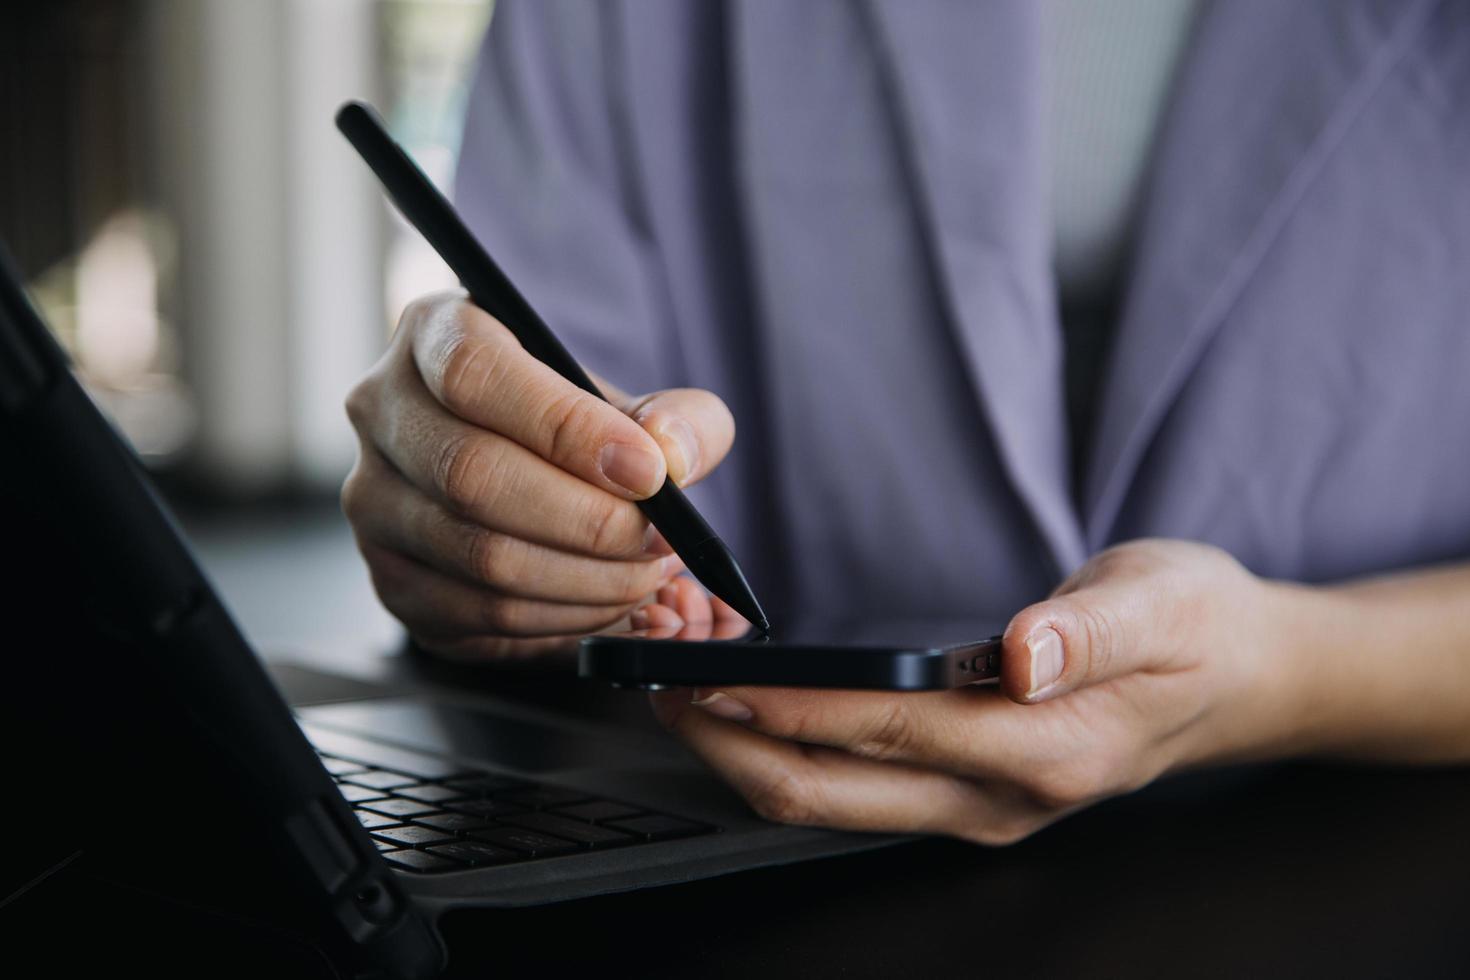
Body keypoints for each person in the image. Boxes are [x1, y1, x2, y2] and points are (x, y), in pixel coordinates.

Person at [341, 1, 1470, 843]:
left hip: (1371, 851)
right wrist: (489, 508)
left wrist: (1293, 668)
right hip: (753, 859)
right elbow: (552, 386)